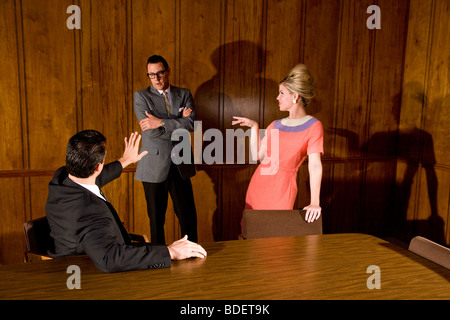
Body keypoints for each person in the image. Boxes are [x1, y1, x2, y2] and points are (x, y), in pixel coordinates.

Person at [45, 130, 206, 273]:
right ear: (97, 167)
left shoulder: (62, 180)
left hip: (73, 262)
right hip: (85, 273)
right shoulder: (88, 211)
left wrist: (125, 160)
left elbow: (97, 177)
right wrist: (170, 252)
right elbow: (109, 259)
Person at [232, 64, 323, 223]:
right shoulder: (275, 124)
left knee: (276, 235)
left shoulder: (313, 126)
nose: (277, 98)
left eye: (281, 93)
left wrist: (315, 202)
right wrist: (254, 127)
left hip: (282, 188)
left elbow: (315, 165)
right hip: (258, 185)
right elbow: (258, 157)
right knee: (252, 232)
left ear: (295, 96)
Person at [133, 55, 198, 245]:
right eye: (151, 75)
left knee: (188, 218)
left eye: (159, 74)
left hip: (181, 164)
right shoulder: (141, 96)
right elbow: (151, 133)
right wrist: (180, 123)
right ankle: (159, 259)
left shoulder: (184, 94)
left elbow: (192, 124)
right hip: (153, 165)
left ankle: (193, 252)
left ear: (167, 72)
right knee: (156, 221)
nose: (157, 79)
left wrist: (160, 122)